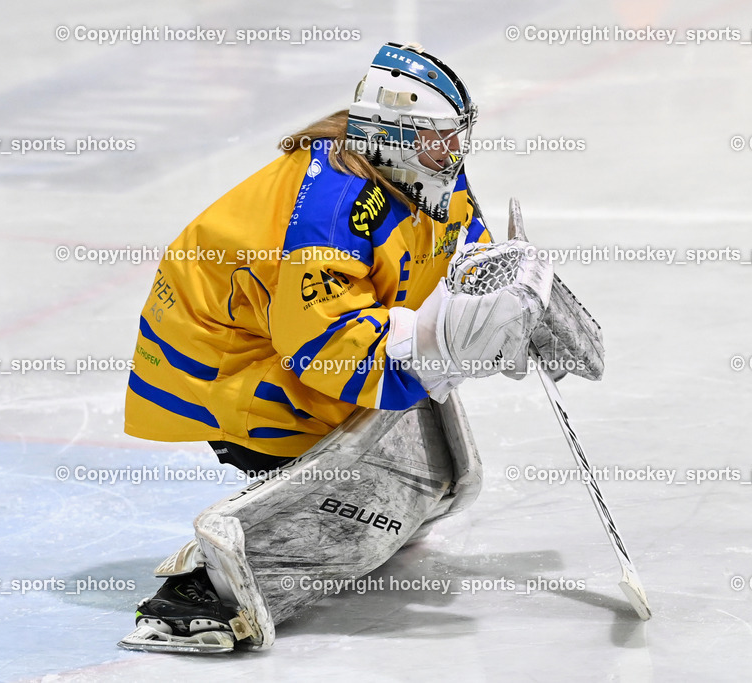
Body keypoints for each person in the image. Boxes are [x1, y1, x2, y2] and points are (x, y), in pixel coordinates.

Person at [120, 42, 566, 654]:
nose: (453, 150)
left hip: (282, 342)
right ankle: (203, 589)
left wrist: (507, 297)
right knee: (344, 467)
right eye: (440, 137)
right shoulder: (328, 212)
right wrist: (444, 346)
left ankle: (352, 501)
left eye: (456, 135)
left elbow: (461, 251)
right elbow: (326, 349)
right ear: (394, 134)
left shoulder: (420, 169)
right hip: (233, 364)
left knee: (395, 423)